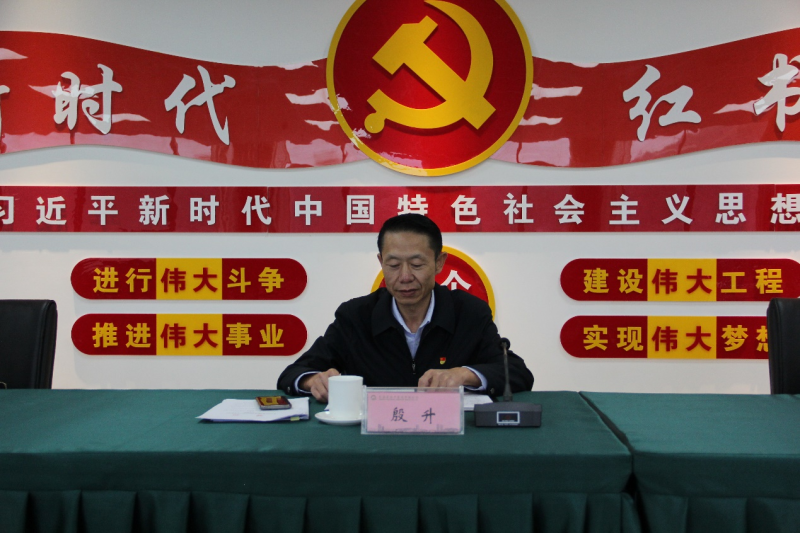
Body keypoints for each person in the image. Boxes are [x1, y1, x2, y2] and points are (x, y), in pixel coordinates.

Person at [277, 213, 534, 401]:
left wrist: (464, 375)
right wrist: (312, 380)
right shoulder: (355, 316)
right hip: (374, 441)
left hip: (448, 439)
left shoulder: (469, 313)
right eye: (393, 265)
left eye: (417, 264)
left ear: (439, 262)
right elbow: (292, 374)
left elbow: (517, 373)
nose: (405, 276)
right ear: (381, 262)